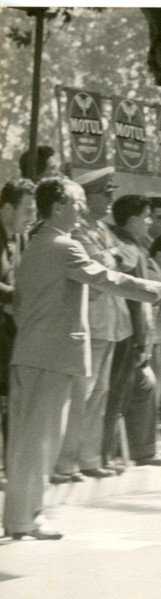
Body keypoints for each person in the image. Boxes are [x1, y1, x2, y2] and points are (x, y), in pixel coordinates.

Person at [2, 177, 161, 540]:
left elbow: (21, 304)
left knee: (26, 441)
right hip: (52, 357)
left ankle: (19, 518)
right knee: (40, 443)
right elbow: (107, 279)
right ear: (57, 208)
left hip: (30, 354)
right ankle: (25, 519)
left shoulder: (35, 247)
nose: (81, 211)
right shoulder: (64, 247)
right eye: (75, 204)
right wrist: (159, 290)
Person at [53, 166, 133, 480]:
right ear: (90, 197)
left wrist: (112, 255)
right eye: (106, 193)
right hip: (92, 323)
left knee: (99, 393)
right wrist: (112, 256)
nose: (111, 199)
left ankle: (89, 458)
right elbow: (101, 265)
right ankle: (64, 462)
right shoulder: (80, 229)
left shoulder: (102, 229)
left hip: (111, 322)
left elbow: (127, 257)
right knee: (81, 394)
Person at [107, 195, 161, 468]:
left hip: (138, 333)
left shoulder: (137, 245)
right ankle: (105, 455)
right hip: (126, 332)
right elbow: (133, 292)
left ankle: (142, 451)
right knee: (117, 394)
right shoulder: (121, 246)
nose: (149, 222)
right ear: (132, 220)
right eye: (146, 217)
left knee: (143, 388)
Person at [0, 179, 37, 491]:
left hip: (11, 335)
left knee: (13, 401)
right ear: (8, 208)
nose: (31, 216)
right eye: (26, 210)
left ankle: (13, 470)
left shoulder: (22, 239)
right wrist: (13, 295)